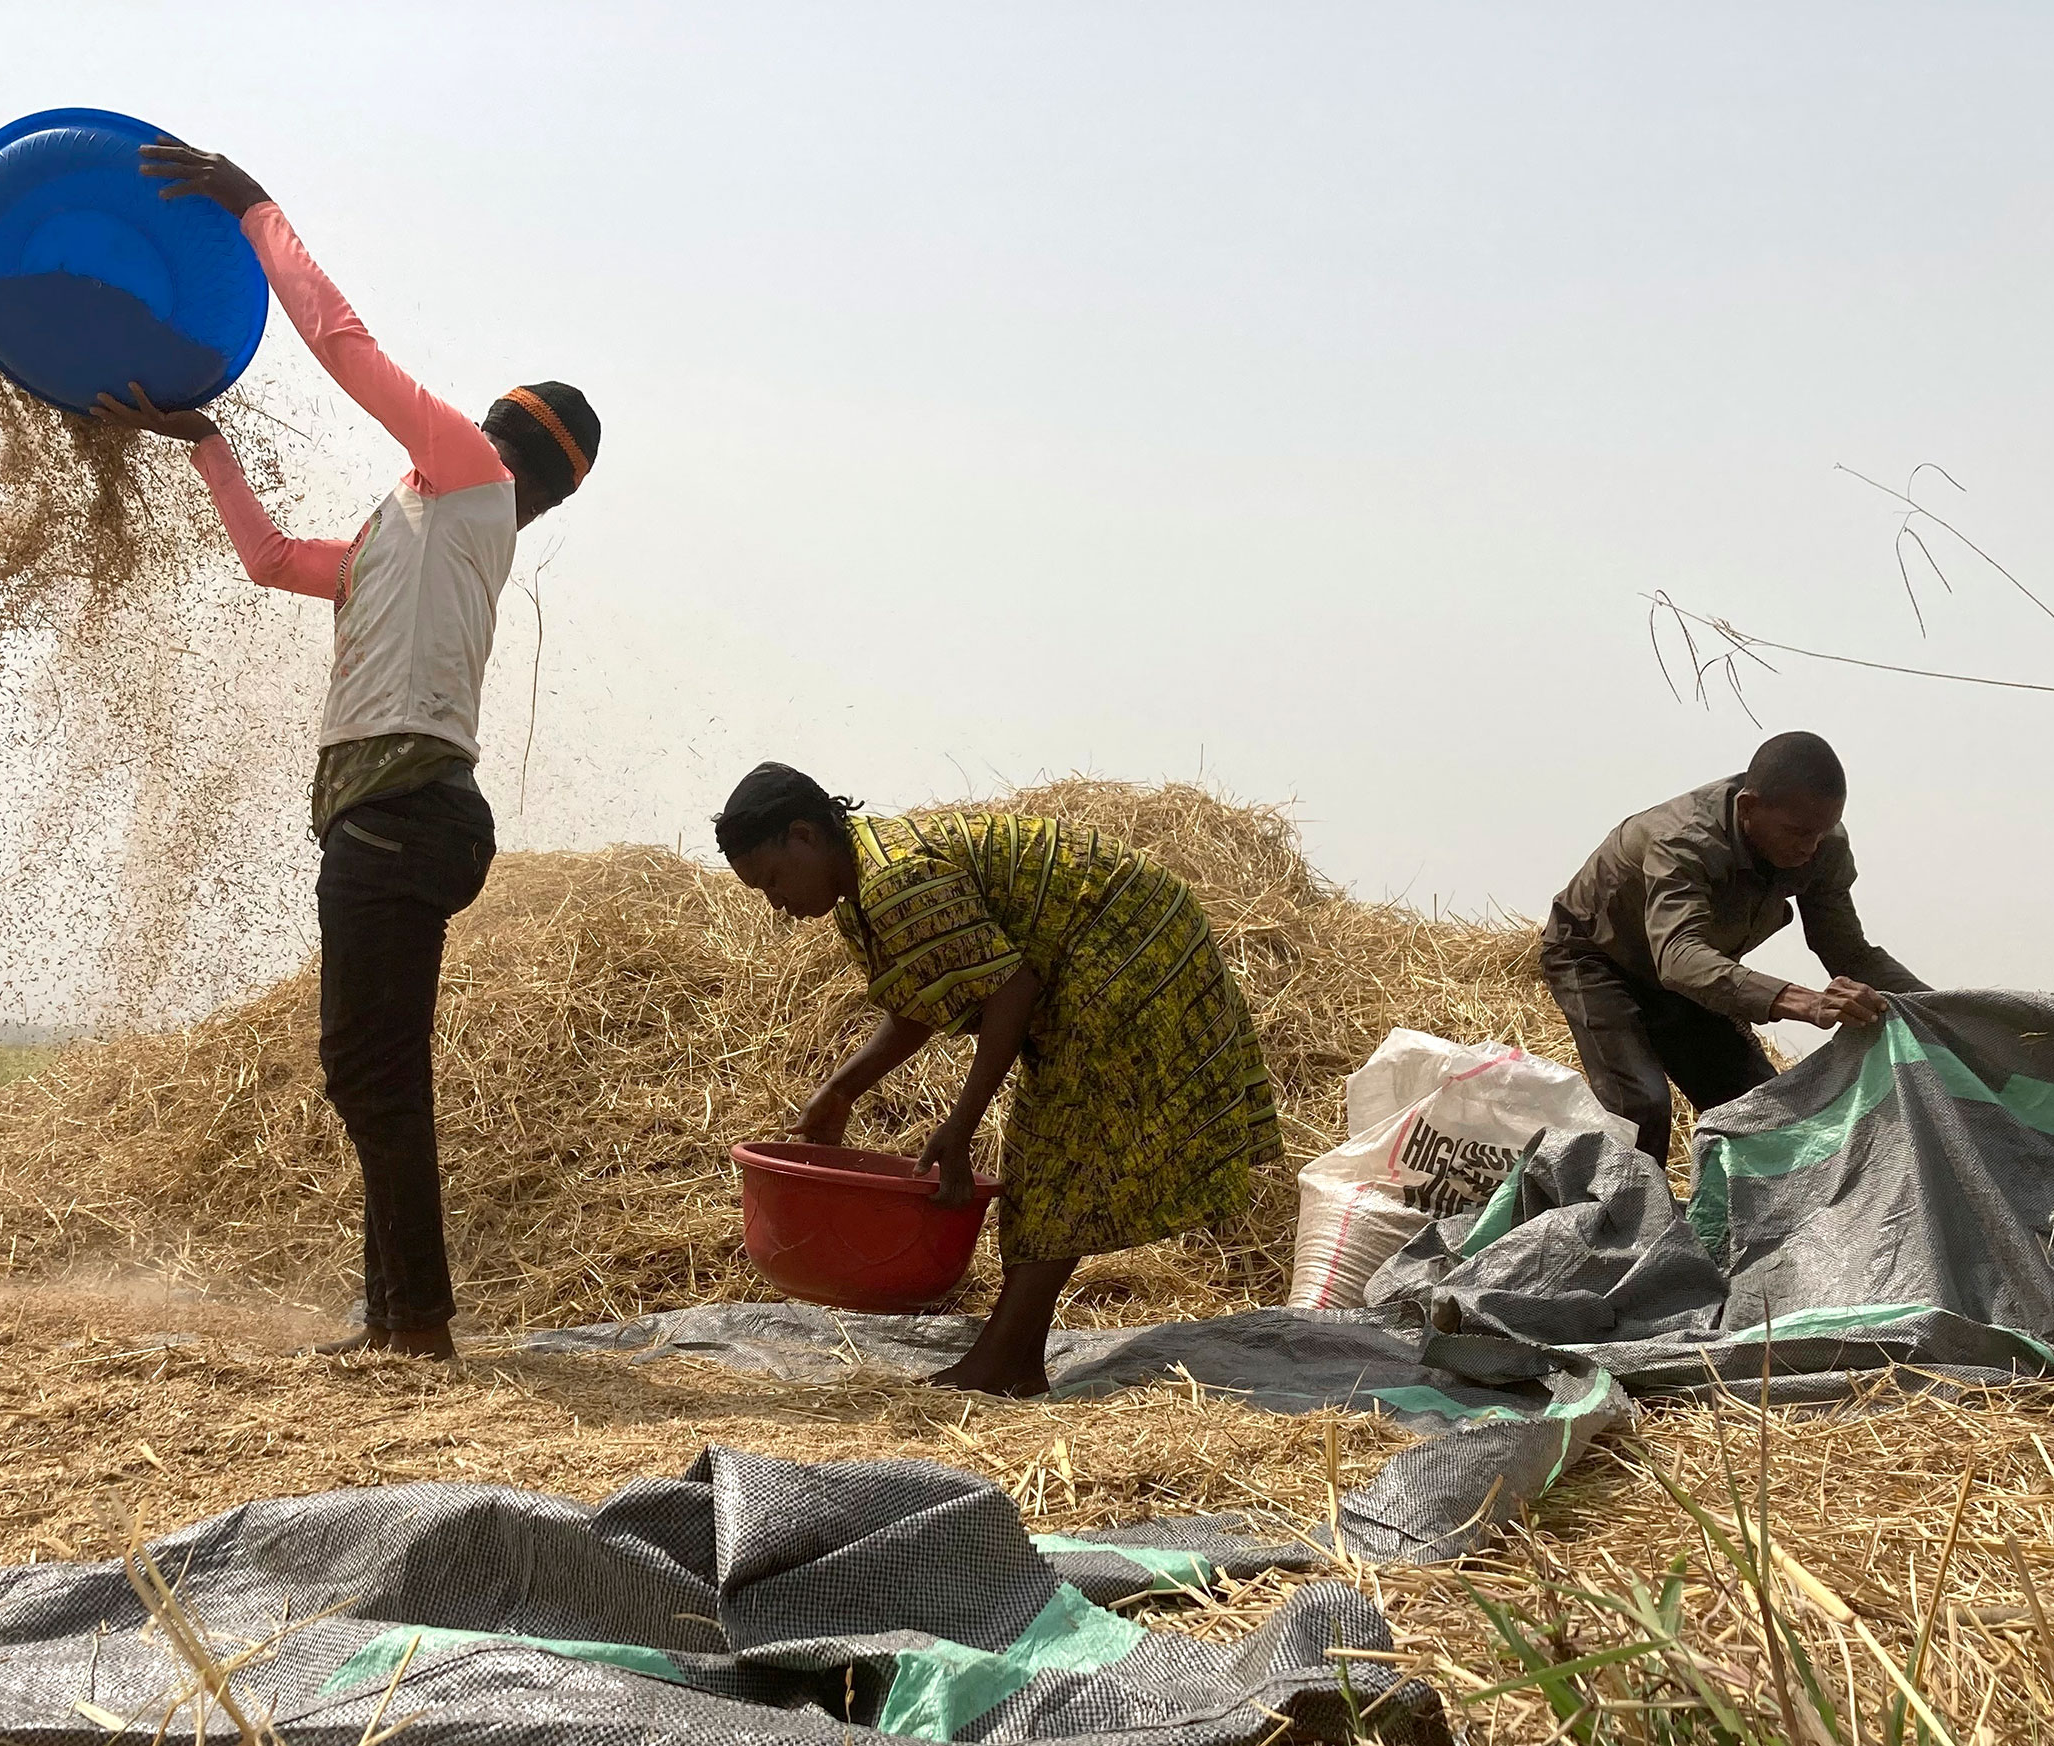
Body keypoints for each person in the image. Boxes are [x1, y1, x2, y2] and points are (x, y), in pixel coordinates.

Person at [93, 144, 602, 1359]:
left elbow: (342, 346)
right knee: (366, 1070)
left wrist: (250, 202)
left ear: (493, 437)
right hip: (390, 815)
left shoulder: (468, 482)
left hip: (405, 812)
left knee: (371, 1074)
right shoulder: (403, 536)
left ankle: (415, 1322)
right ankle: (397, 1315)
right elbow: (273, 561)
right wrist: (204, 441)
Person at [716, 765, 1284, 1396]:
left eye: (771, 881)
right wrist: (840, 1092)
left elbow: (1011, 991)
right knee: (1052, 1155)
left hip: (1129, 944)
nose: (778, 905)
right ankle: (1010, 1355)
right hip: (1098, 949)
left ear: (804, 836)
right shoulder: (862, 891)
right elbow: (923, 999)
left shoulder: (896, 880)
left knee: (1056, 1150)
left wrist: (961, 1125)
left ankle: (1007, 1362)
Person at [1541, 732, 1926, 1165]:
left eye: (1820, 833)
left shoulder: (1821, 845)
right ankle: (1621, 1226)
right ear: (1748, 808)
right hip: (1599, 956)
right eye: (1797, 833)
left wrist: (1944, 1012)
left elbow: (1848, 952)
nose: (1809, 847)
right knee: (1640, 1108)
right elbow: (1679, 957)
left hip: (1692, 976)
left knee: (1762, 1108)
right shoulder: (1682, 840)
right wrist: (1806, 1003)